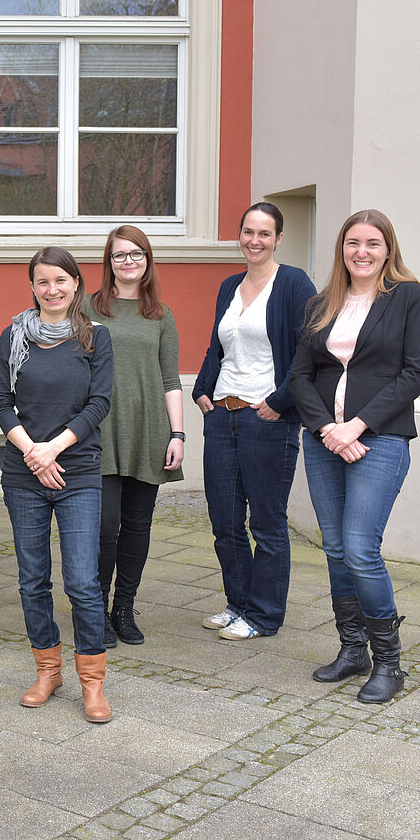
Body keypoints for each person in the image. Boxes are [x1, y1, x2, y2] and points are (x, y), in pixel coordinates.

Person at [290, 209, 420, 704]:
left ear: (388, 249)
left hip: (380, 439)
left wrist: (356, 426)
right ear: (341, 249)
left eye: (371, 243)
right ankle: (352, 650)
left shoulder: (408, 297)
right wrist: (328, 428)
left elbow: (413, 373)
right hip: (324, 440)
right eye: (352, 243)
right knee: (336, 547)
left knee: (361, 547)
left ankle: (389, 662)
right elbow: (300, 375)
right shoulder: (322, 304)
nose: (360, 252)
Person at [0, 246, 113, 723]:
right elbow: (0, 400)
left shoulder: (95, 339)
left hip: (78, 471)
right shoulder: (12, 337)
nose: (53, 289)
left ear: (76, 284)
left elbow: (99, 403)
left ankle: (92, 682)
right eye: (43, 282)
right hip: (24, 474)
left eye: (61, 280)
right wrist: (32, 452)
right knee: (31, 579)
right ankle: (48, 669)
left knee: (83, 581)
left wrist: (52, 449)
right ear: (33, 287)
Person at [193, 202, 315, 641]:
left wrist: (280, 402)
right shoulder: (229, 284)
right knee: (225, 523)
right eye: (248, 231)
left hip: (266, 419)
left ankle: (263, 615)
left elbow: (309, 350)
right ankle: (238, 604)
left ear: (278, 238)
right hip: (222, 417)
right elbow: (217, 346)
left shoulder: (293, 283)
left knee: (265, 523)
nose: (255, 240)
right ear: (240, 234)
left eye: (265, 233)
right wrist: (202, 390)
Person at [89, 226, 184, 646]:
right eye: (119, 255)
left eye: (136, 254)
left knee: (138, 525)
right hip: (100, 430)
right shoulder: (88, 307)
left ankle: (123, 608)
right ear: (108, 263)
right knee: (105, 526)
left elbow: (170, 379)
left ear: (147, 260)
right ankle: (96, 608)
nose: (128, 262)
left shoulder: (161, 315)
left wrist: (177, 434)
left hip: (148, 430)